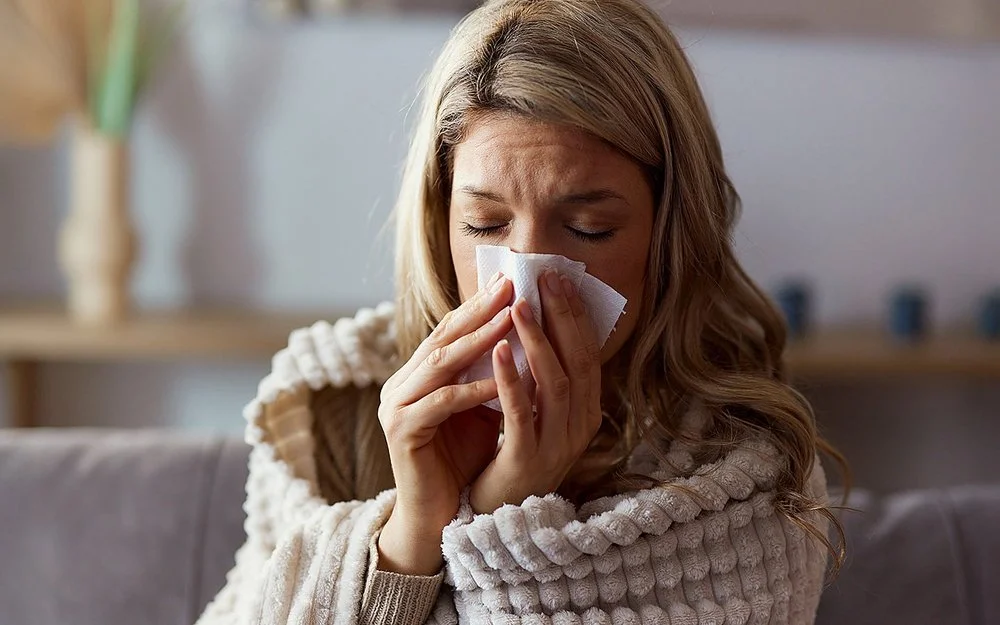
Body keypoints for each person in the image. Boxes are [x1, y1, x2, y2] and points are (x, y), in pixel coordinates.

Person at [196, 0, 846, 623]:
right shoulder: (329, 406)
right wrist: (414, 523)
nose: (524, 275)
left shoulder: (748, 468)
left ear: (668, 231)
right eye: (485, 223)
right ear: (438, 220)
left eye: (589, 228)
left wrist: (500, 511)